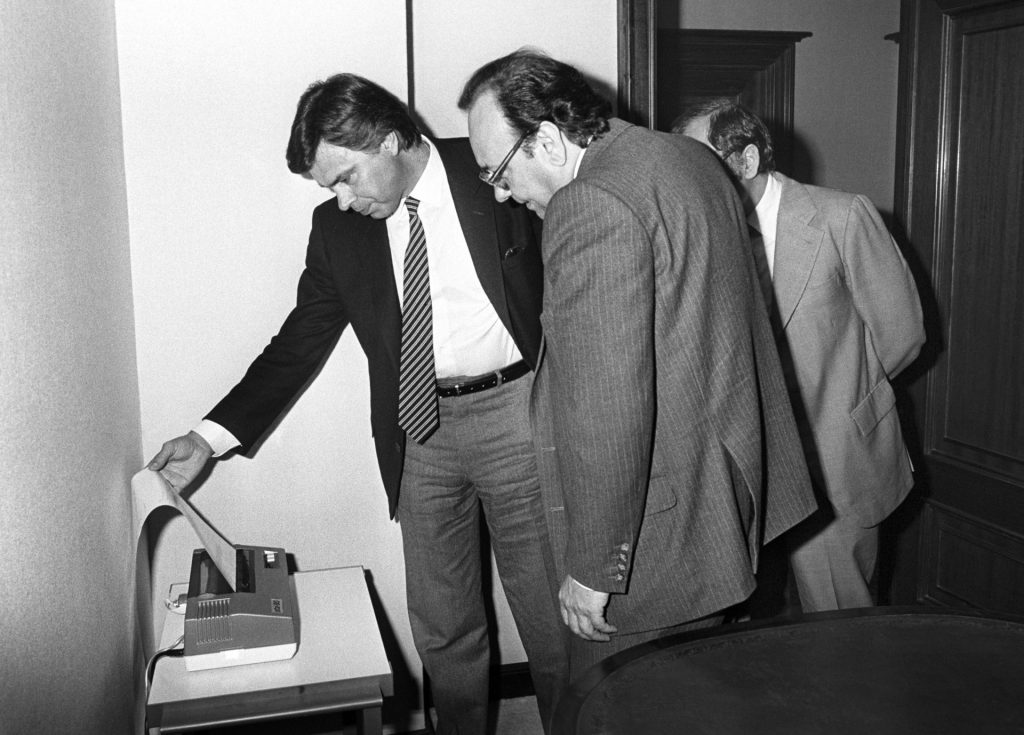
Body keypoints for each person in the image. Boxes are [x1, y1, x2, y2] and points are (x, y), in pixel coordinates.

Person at [147, 73, 568, 735]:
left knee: (552, 616)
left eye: (346, 176)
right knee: (444, 624)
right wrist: (209, 435)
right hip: (418, 431)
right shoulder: (337, 231)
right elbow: (298, 342)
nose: (342, 201)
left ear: (392, 138)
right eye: (329, 188)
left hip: (520, 412)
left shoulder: (494, 170)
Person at [458, 50, 816, 678]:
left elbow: (607, 407)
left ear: (547, 139)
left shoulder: (588, 204)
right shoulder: (686, 158)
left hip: (657, 544)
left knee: (618, 708)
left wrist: (596, 569)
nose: (504, 195)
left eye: (501, 173)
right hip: (727, 505)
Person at [674, 99, 925, 611]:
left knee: (838, 626)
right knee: (748, 626)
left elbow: (902, 337)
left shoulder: (842, 216)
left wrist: (840, 396)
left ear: (745, 161)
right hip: (740, 466)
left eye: (700, 165)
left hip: (833, 460)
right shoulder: (699, 230)